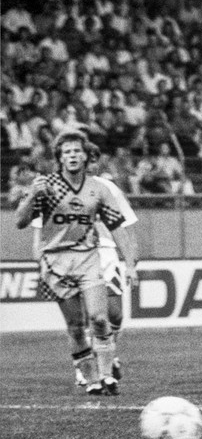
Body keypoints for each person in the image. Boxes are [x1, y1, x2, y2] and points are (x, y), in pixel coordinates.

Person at [14, 130, 138, 395]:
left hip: (88, 257)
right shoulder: (47, 186)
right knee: (75, 325)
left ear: (85, 155)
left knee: (100, 318)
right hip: (56, 261)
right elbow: (20, 222)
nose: (72, 156)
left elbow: (118, 227)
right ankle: (90, 377)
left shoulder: (99, 188)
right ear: (60, 157)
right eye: (67, 151)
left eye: (76, 151)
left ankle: (107, 376)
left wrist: (130, 265)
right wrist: (31, 196)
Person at [32, 173, 139, 388]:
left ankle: (105, 357)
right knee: (79, 320)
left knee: (113, 314)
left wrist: (131, 261)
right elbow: (37, 227)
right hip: (68, 256)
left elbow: (125, 222)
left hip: (106, 253)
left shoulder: (107, 187)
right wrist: (41, 257)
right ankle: (88, 370)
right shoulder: (52, 188)